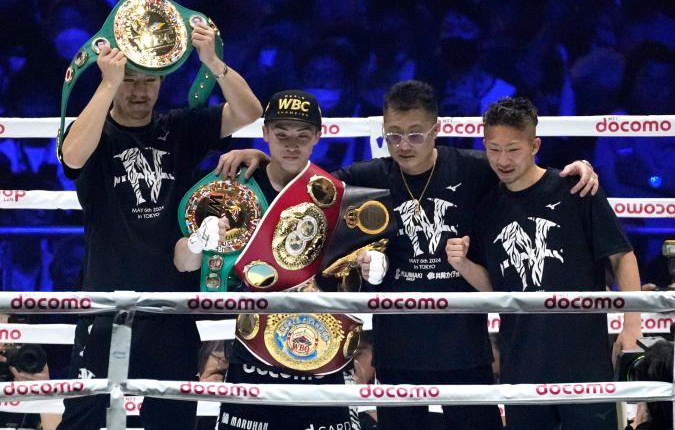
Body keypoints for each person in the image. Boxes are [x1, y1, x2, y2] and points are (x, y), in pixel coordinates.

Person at [219, 80, 597, 430]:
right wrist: (262, 156)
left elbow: (523, 171)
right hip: (398, 347)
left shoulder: (474, 168)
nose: (403, 145)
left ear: (436, 130)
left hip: (463, 346)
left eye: (416, 134)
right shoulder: (369, 175)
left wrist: (574, 168)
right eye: (394, 135)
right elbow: (309, 182)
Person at [56, 19, 262, 430]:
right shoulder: (98, 132)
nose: (139, 90)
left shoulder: (177, 129)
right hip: (104, 304)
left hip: (171, 307)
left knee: (172, 421)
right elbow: (73, 157)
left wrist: (212, 62)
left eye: (149, 81)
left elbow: (249, 112)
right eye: (130, 80)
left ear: (163, 81)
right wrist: (106, 84)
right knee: (83, 419)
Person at [446, 96, 642, 429]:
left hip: (583, 358)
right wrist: (463, 264)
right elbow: (498, 289)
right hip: (522, 359)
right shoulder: (486, 206)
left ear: (534, 144)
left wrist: (632, 327)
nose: (503, 160)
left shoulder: (576, 188)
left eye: (513, 149)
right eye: (494, 149)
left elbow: (622, 255)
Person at [175, 90, 364, 430]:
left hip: (318, 350)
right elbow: (183, 263)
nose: (291, 145)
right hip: (250, 352)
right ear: (265, 134)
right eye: (281, 135)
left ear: (318, 138)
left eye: (302, 136)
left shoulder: (332, 195)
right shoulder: (234, 187)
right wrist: (200, 240)